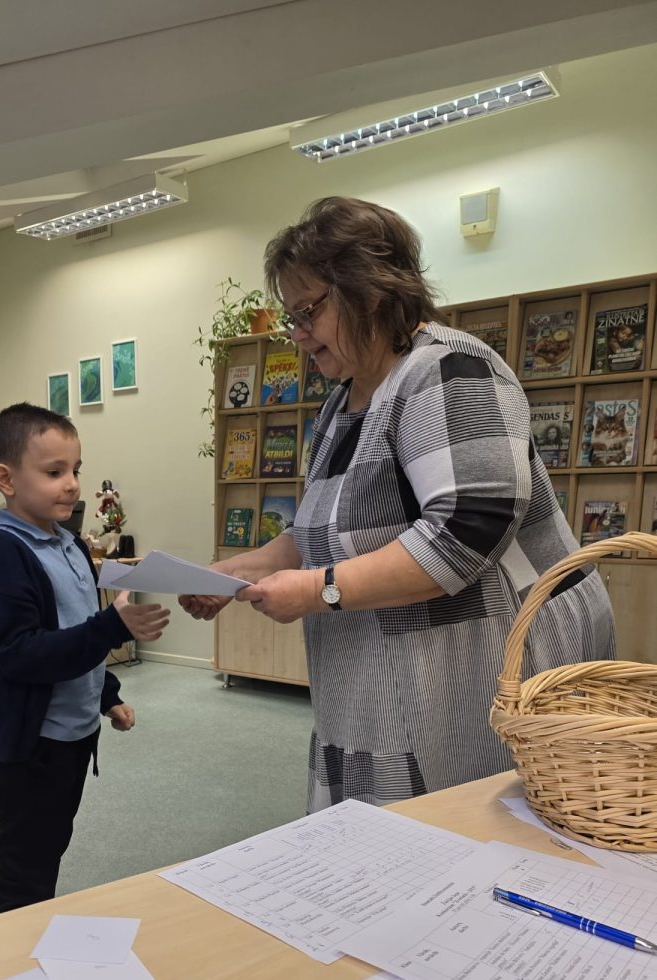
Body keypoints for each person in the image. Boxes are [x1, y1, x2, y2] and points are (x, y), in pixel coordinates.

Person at [182, 197, 615, 811]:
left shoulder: (450, 369)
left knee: (466, 822)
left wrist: (317, 590)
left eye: (308, 312)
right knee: (387, 823)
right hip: (388, 664)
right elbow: (317, 532)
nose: (298, 334)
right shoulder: (341, 403)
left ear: (369, 292)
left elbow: (468, 529)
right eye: (291, 317)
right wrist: (232, 574)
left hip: (487, 655)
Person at [0, 403, 170, 913]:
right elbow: (20, 655)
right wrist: (112, 626)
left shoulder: (72, 545)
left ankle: (34, 923)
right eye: (54, 472)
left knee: (50, 845)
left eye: (75, 470)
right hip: (32, 744)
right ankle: (13, 944)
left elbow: (77, 627)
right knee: (25, 864)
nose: (72, 484)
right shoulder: (2, 555)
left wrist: (107, 695)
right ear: (6, 479)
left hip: (75, 735)